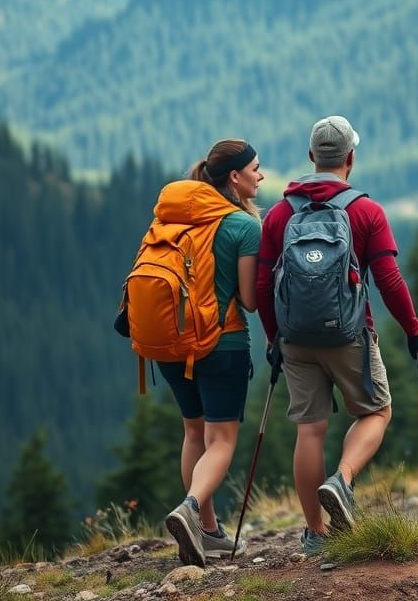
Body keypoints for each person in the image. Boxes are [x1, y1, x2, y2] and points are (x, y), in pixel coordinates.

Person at [257, 115, 418, 554]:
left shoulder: (280, 213)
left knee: (310, 430)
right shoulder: (366, 211)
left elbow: (263, 285)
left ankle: (315, 534)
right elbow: (390, 281)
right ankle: (344, 478)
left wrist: (272, 337)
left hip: (295, 338)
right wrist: (415, 332)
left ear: (312, 156)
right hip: (350, 335)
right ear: (350, 158)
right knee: (376, 412)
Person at [158, 139, 264, 567]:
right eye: (255, 168)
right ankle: (189, 509)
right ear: (235, 177)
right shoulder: (242, 226)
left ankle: (207, 530)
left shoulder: (176, 218)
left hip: (168, 345)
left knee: (193, 433)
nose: (261, 174)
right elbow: (249, 301)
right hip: (222, 345)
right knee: (220, 441)